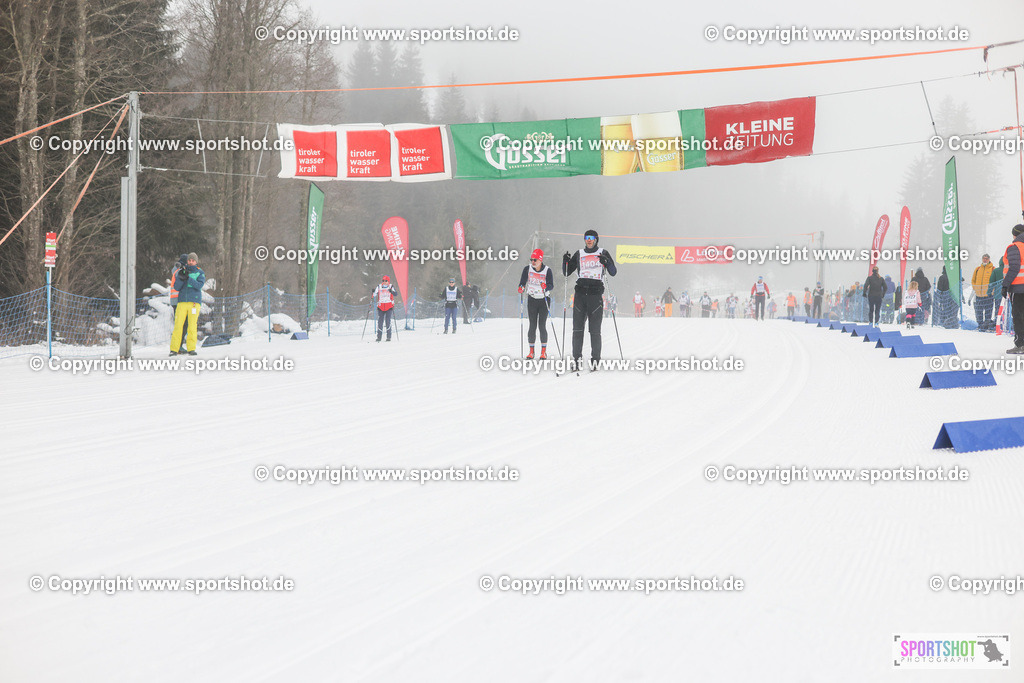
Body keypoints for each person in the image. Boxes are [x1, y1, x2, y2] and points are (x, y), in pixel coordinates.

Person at [562, 229, 617, 371]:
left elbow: (613, 272)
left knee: (595, 331)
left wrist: (606, 262)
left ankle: (595, 361)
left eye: (591, 237)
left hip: (595, 296)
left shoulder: (603, 252)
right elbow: (566, 272)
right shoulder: (579, 253)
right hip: (580, 296)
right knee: (577, 330)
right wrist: (565, 262)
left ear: (596, 239)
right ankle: (576, 360)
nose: (589, 240)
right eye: (587, 237)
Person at [518, 249, 555, 359]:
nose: (533, 262)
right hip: (532, 299)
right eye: (532, 260)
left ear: (540, 260)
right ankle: (531, 351)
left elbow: (551, 285)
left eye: (535, 260)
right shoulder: (527, 269)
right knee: (532, 325)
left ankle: (543, 352)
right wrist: (521, 287)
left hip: (544, 299)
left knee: (542, 325)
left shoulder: (547, 270)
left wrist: (546, 287)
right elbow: (522, 282)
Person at [169, 253, 205, 356]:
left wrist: (188, 278)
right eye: (189, 260)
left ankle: (191, 348)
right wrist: (181, 277)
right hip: (182, 302)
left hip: (194, 302)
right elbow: (177, 287)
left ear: (196, 262)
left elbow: (199, 285)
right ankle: (174, 349)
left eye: (193, 260)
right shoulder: (182, 271)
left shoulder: (200, 272)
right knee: (178, 326)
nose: (191, 262)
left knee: (192, 326)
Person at [1001, 224, 1024, 353]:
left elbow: (1014, 267)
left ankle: (1020, 344)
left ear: (1015, 234)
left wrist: (1005, 285)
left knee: (1018, 316)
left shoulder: (1014, 247)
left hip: (1018, 288)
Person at [169, 253, 188, 353]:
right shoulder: (180, 272)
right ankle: (178, 346)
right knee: (182, 324)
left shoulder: (176, 270)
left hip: (176, 301)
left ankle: (178, 345)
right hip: (179, 301)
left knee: (181, 324)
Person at [972, 254, 995, 331]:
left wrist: (992, 291)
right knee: (979, 311)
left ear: (989, 259)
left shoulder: (993, 269)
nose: (985, 260)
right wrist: (975, 288)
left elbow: (995, 281)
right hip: (979, 295)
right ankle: (980, 325)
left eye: (986, 258)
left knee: (988, 312)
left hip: (988, 295)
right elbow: (973, 280)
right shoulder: (978, 269)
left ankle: (987, 325)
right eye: (984, 258)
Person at [372, 275, 398, 341]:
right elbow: (374, 295)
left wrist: (391, 291)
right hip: (381, 307)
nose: (384, 282)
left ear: (388, 281)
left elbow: (396, 294)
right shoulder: (379, 286)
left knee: (387, 321)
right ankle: (379, 337)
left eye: (386, 281)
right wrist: (374, 292)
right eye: (383, 280)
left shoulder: (391, 286)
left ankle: (388, 337)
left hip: (389, 306)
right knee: (380, 322)